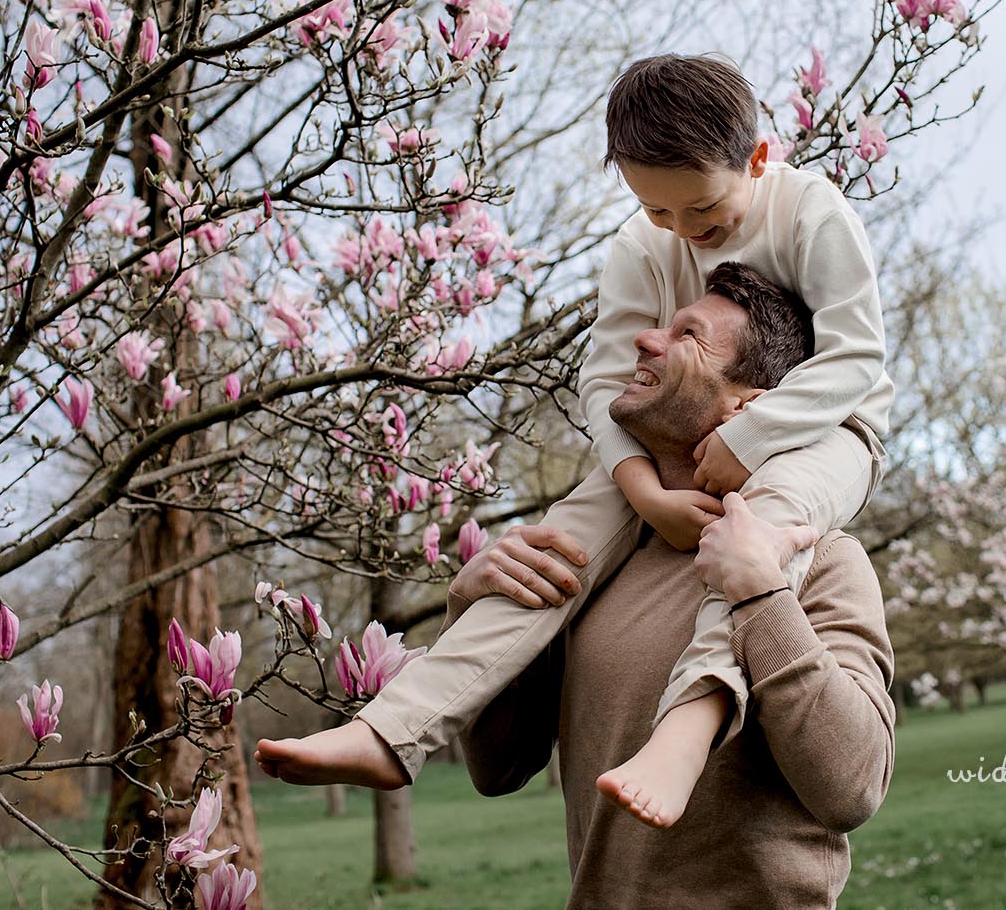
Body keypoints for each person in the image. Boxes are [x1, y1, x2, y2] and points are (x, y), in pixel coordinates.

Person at [258, 53, 893, 828]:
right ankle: (395, 727)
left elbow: (857, 355)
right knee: (557, 547)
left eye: (702, 209)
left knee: (759, 533)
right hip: (675, 453)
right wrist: (643, 492)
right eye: (658, 211)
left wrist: (755, 435)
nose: (685, 231)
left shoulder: (810, 212)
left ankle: (686, 728)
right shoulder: (643, 244)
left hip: (832, 426)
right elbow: (605, 381)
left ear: (758, 158)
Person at [264, 265, 897, 908]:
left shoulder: (823, 561)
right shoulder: (593, 559)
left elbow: (853, 788)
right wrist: (468, 606)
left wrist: (761, 595)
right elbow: (500, 767)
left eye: (688, 335)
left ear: (751, 407)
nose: (645, 340)